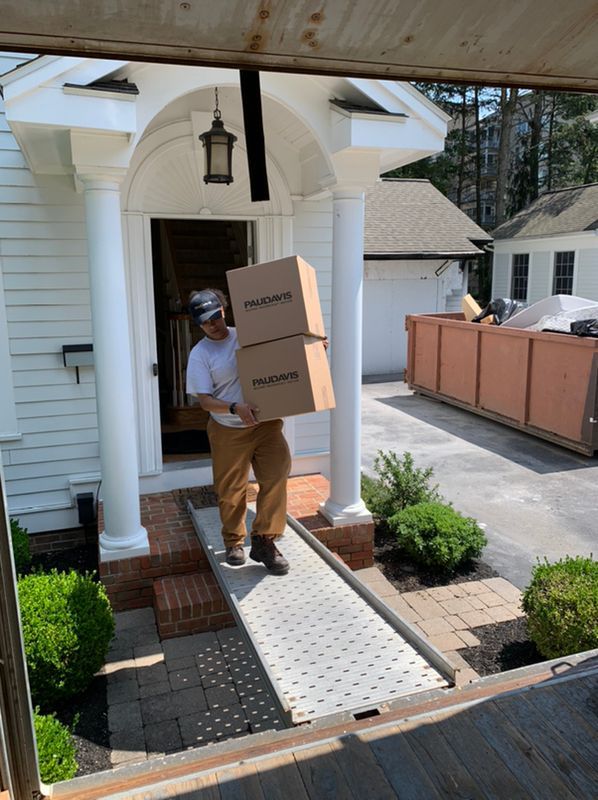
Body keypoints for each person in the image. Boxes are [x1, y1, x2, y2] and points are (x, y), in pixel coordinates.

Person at [185, 288, 291, 575]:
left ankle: (264, 540)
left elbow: (285, 348)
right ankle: (234, 541)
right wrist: (234, 407)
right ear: (199, 325)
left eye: (217, 316)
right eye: (207, 321)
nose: (214, 324)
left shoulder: (248, 335)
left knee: (277, 474)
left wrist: (313, 347)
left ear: (224, 309)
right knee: (231, 489)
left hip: (265, 424)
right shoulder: (201, 355)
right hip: (228, 429)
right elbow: (205, 400)